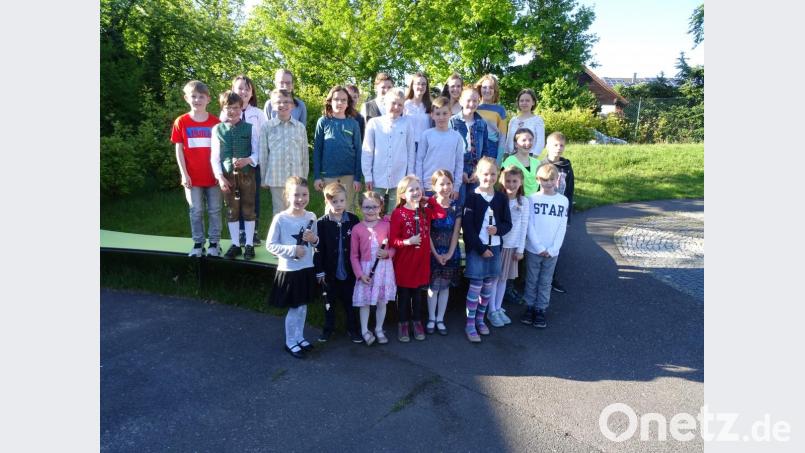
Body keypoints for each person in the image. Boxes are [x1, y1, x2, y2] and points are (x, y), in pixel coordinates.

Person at [266, 176, 320, 359]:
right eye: (296, 195)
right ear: (287, 196)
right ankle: (290, 341)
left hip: (307, 268)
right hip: (290, 270)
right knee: (295, 308)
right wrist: (292, 250)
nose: (300, 199)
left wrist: (314, 239)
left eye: (304, 194)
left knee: (304, 306)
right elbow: (270, 245)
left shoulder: (311, 216)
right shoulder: (280, 218)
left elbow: (316, 243)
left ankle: (299, 337)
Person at [389, 175, 446, 342]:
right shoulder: (398, 213)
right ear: (402, 194)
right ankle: (403, 324)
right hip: (405, 263)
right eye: (411, 189)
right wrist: (408, 241)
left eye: (417, 188)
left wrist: (429, 199)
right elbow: (393, 240)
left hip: (421, 263)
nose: (415, 192)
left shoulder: (424, 211)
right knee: (404, 296)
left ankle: (417, 322)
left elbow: (441, 213)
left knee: (418, 295)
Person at [461, 157, 512, 343]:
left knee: (488, 287)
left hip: (495, 248)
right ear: (477, 174)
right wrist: (481, 248)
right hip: (478, 249)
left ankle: (481, 320)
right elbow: (467, 228)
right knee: (475, 286)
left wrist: (497, 229)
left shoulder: (500, 198)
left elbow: (508, 223)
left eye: (492, 174)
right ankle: (469, 323)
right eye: (485, 174)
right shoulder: (472, 197)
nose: (488, 177)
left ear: (497, 175)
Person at [170, 80, 222, 257]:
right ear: (186, 98)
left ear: (208, 99)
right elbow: (179, 150)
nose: (197, 100)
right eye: (193, 96)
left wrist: (220, 174)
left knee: (215, 210)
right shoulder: (181, 122)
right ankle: (198, 243)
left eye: (201, 96)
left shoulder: (216, 122)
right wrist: (184, 174)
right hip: (192, 178)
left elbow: (221, 151)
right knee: (196, 210)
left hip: (213, 177)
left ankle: (215, 243)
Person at [220, 75, 268, 246]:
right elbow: (222, 139)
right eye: (240, 88)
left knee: (252, 198)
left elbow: (264, 139)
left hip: (252, 163)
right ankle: (240, 232)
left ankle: (253, 232)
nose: (244, 91)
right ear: (233, 90)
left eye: (247, 89)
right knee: (235, 200)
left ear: (252, 92)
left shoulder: (258, 114)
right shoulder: (225, 114)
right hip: (232, 166)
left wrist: (252, 160)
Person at [211, 91, 259, 260]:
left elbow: (257, 153)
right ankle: (235, 244)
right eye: (228, 108)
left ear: (241, 109)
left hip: (247, 176)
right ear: (223, 109)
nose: (233, 111)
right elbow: (214, 157)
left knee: (248, 209)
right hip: (227, 177)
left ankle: (249, 245)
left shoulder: (250, 128)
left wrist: (248, 160)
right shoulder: (217, 129)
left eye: (236, 107)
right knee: (232, 210)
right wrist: (220, 177)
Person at [520, 164, 568, 329]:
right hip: (534, 249)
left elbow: (562, 226)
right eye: (544, 180)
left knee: (546, 281)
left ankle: (541, 309)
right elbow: (529, 225)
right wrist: (539, 246)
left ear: (557, 180)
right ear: (537, 180)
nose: (547, 183)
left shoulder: (563, 201)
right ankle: (529, 307)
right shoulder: (532, 199)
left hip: (552, 251)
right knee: (532, 279)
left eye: (551, 180)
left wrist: (554, 248)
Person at [314, 182, 362, 343]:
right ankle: (328, 329)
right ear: (327, 202)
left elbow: (359, 244)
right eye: (334, 202)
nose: (339, 205)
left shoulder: (353, 220)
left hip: (349, 271)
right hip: (329, 271)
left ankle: (353, 329)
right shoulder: (322, 223)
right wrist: (319, 270)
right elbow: (318, 248)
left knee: (350, 302)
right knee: (329, 302)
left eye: (342, 201)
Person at [350, 191, 396, 346]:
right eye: (366, 207)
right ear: (360, 208)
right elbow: (353, 256)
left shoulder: (387, 225)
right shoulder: (357, 229)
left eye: (374, 207)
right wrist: (360, 274)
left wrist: (387, 253)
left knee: (382, 301)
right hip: (365, 271)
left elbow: (395, 248)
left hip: (384, 270)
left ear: (380, 207)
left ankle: (379, 329)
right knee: (365, 302)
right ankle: (364, 330)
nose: (370, 210)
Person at [487, 166, 529, 327]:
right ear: (502, 181)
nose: (511, 184)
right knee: (494, 279)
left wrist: (520, 249)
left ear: (521, 182)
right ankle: (491, 310)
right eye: (508, 181)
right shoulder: (498, 199)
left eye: (515, 181)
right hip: (498, 245)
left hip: (512, 247)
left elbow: (524, 226)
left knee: (503, 279)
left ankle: (497, 307)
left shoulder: (524, 202)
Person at [362, 88, 415, 215]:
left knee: (395, 212)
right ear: (385, 103)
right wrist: (368, 175)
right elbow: (367, 150)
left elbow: (411, 150)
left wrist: (410, 175)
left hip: (399, 176)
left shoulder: (407, 123)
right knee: (372, 209)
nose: (396, 107)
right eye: (393, 103)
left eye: (400, 104)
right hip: (377, 176)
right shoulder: (374, 123)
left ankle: (392, 234)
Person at [259, 88, 309, 216]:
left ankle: (297, 235)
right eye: (278, 102)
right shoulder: (267, 127)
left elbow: (304, 154)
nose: (283, 105)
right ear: (273, 106)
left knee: (297, 209)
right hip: (276, 178)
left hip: (296, 178)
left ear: (292, 105)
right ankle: (280, 236)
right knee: (279, 212)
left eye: (287, 102)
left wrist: (304, 176)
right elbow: (263, 154)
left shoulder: (300, 127)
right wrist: (263, 178)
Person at [313, 85, 363, 208]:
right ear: (330, 101)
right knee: (331, 207)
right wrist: (317, 176)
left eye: (343, 100)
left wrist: (357, 177)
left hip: (349, 174)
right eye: (336, 99)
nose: (339, 102)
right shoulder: (323, 122)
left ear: (348, 103)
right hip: (329, 174)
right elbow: (317, 150)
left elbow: (358, 151)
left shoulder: (353, 124)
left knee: (348, 207)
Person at [426, 170, 462, 336]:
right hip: (433, 251)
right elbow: (427, 232)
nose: (445, 187)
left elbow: (456, 232)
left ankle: (440, 318)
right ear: (433, 186)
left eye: (448, 183)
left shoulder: (456, 207)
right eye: (441, 184)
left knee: (445, 287)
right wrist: (435, 253)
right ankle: (431, 318)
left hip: (450, 252)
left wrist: (449, 253)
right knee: (433, 287)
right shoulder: (429, 206)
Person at [539, 131, 574, 294]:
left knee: (555, 246)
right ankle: (534, 277)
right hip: (543, 211)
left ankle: (551, 278)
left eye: (561, 145)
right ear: (547, 146)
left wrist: (568, 216)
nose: (558, 148)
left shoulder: (567, 166)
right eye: (555, 145)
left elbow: (570, 190)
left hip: (559, 210)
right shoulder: (542, 165)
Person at [415, 96, 463, 200]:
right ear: (432, 115)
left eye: (445, 113)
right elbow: (419, 160)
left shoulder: (457, 137)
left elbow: (459, 162)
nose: (441, 117)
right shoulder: (426, 135)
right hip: (429, 187)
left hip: (448, 187)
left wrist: (456, 187)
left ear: (450, 114)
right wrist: (420, 185)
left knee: (446, 215)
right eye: (438, 114)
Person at [449, 87, 489, 207]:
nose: (471, 104)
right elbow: (449, 150)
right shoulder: (452, 122)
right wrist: (460, 171)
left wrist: (479, 171)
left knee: (473, 206)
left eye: (475, 101)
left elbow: (485, 150)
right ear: (461, 101)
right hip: (458, 169)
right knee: (458, 205)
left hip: (476, 170)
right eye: (468, 100)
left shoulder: (482, 123)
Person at [474, 74, 507, 166]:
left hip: (491, 147)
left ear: (495, 91)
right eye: (484, 87)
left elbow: (502, 136)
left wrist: (499, 160)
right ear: (480, 89)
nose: (487, 90)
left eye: (491, 88)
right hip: (474, 146)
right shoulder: (474, 107)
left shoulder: (500, 110)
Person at [501, 128, 541, 196]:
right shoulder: (509, 161)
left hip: (536, 201)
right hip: (517, 200)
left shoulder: (537, 163)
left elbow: (541, 184)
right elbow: (503, 184)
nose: (528, 143)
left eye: (530, 140)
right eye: (524, 140)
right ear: (516, 144)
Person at [505, 88, 544, 157]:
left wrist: (533, 157)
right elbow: (509, 140)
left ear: (533, 102)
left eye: (527, 100)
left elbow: (540, 142)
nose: (524, 103)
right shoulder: (513, 120)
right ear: (518, 103)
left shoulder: (537, 120)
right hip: (513, 157)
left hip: (530, 156)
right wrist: (508, 155)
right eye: (521, 101)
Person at [403, 72, 433, 153]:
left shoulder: (430, 106)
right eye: (418, 83)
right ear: (412, 86)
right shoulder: (405, 104)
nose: (421, 86)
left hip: (425, 145)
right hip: (408, 145)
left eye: (423, 84)